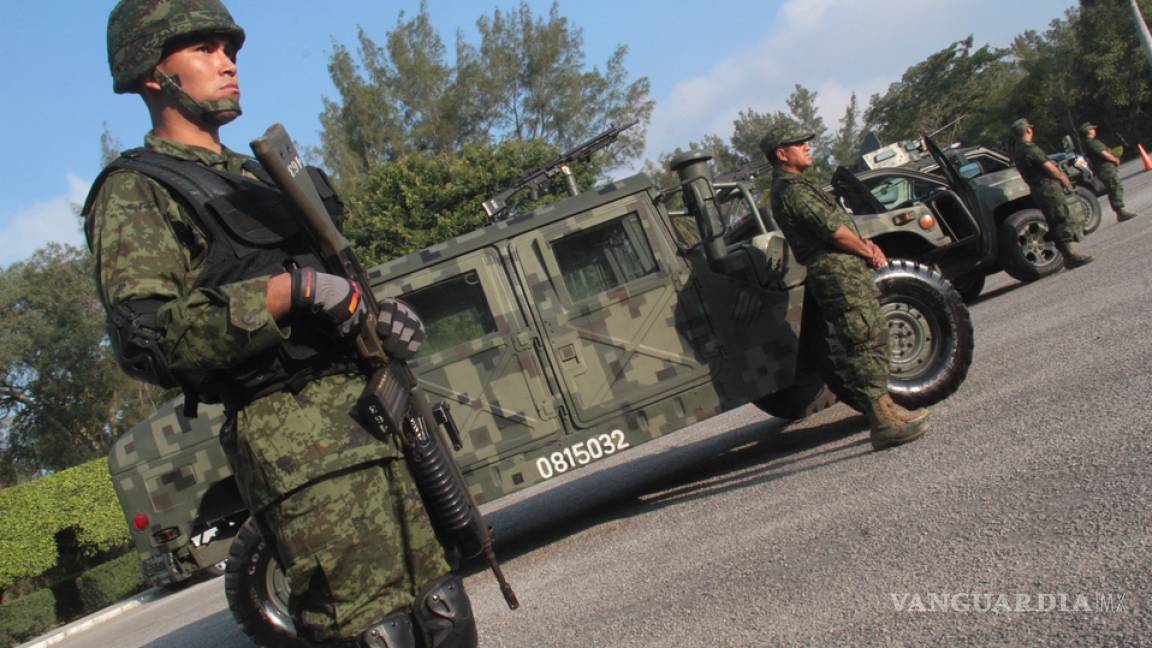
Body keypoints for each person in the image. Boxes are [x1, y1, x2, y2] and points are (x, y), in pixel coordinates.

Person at [84, 2, 476, 646]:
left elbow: (342, 287)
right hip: (298, 447)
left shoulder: (263, 175)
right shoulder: (138, 190)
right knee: (372, 633)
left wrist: (380, 315)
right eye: (205, 48)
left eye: (229, 48)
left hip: (383, 417)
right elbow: (147, 340)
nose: (227, 61)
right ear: (154, 72)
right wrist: (285, 293)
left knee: (443, 615)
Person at [760, 128, 929, 450]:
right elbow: (834, 231)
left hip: (844, 269)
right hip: (836, 271)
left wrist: (864, 247)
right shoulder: (791, 191)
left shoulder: (796, 186)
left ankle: (888, 409)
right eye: (798, 144)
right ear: (782, 154)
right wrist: (867, 250)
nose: (806, 147)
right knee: (862, 339)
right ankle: (882, 423)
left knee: (871, 334)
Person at [1009, 118, 1093, 269]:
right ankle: (1070, 255)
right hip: (1048, 188)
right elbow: (1048, 166)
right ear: (1028, 130)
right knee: (1060, 218)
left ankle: (1068, 255)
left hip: (1038, 189)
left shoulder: (1018, 151)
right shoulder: (1029, 148)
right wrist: (1063, 177)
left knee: (1054, 220)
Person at [1080, 121, 1138, 222]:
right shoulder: (1093, 143)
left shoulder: (1086, 144)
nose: (1094, 130)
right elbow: (1103, 153)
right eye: (1092, 129)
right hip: (1105, 168)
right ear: (1088, 131)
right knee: (1115, 187)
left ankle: (1119, 211)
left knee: (1113, 188)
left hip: (1102, 169)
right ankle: (1120, 211)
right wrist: (1114, 159)